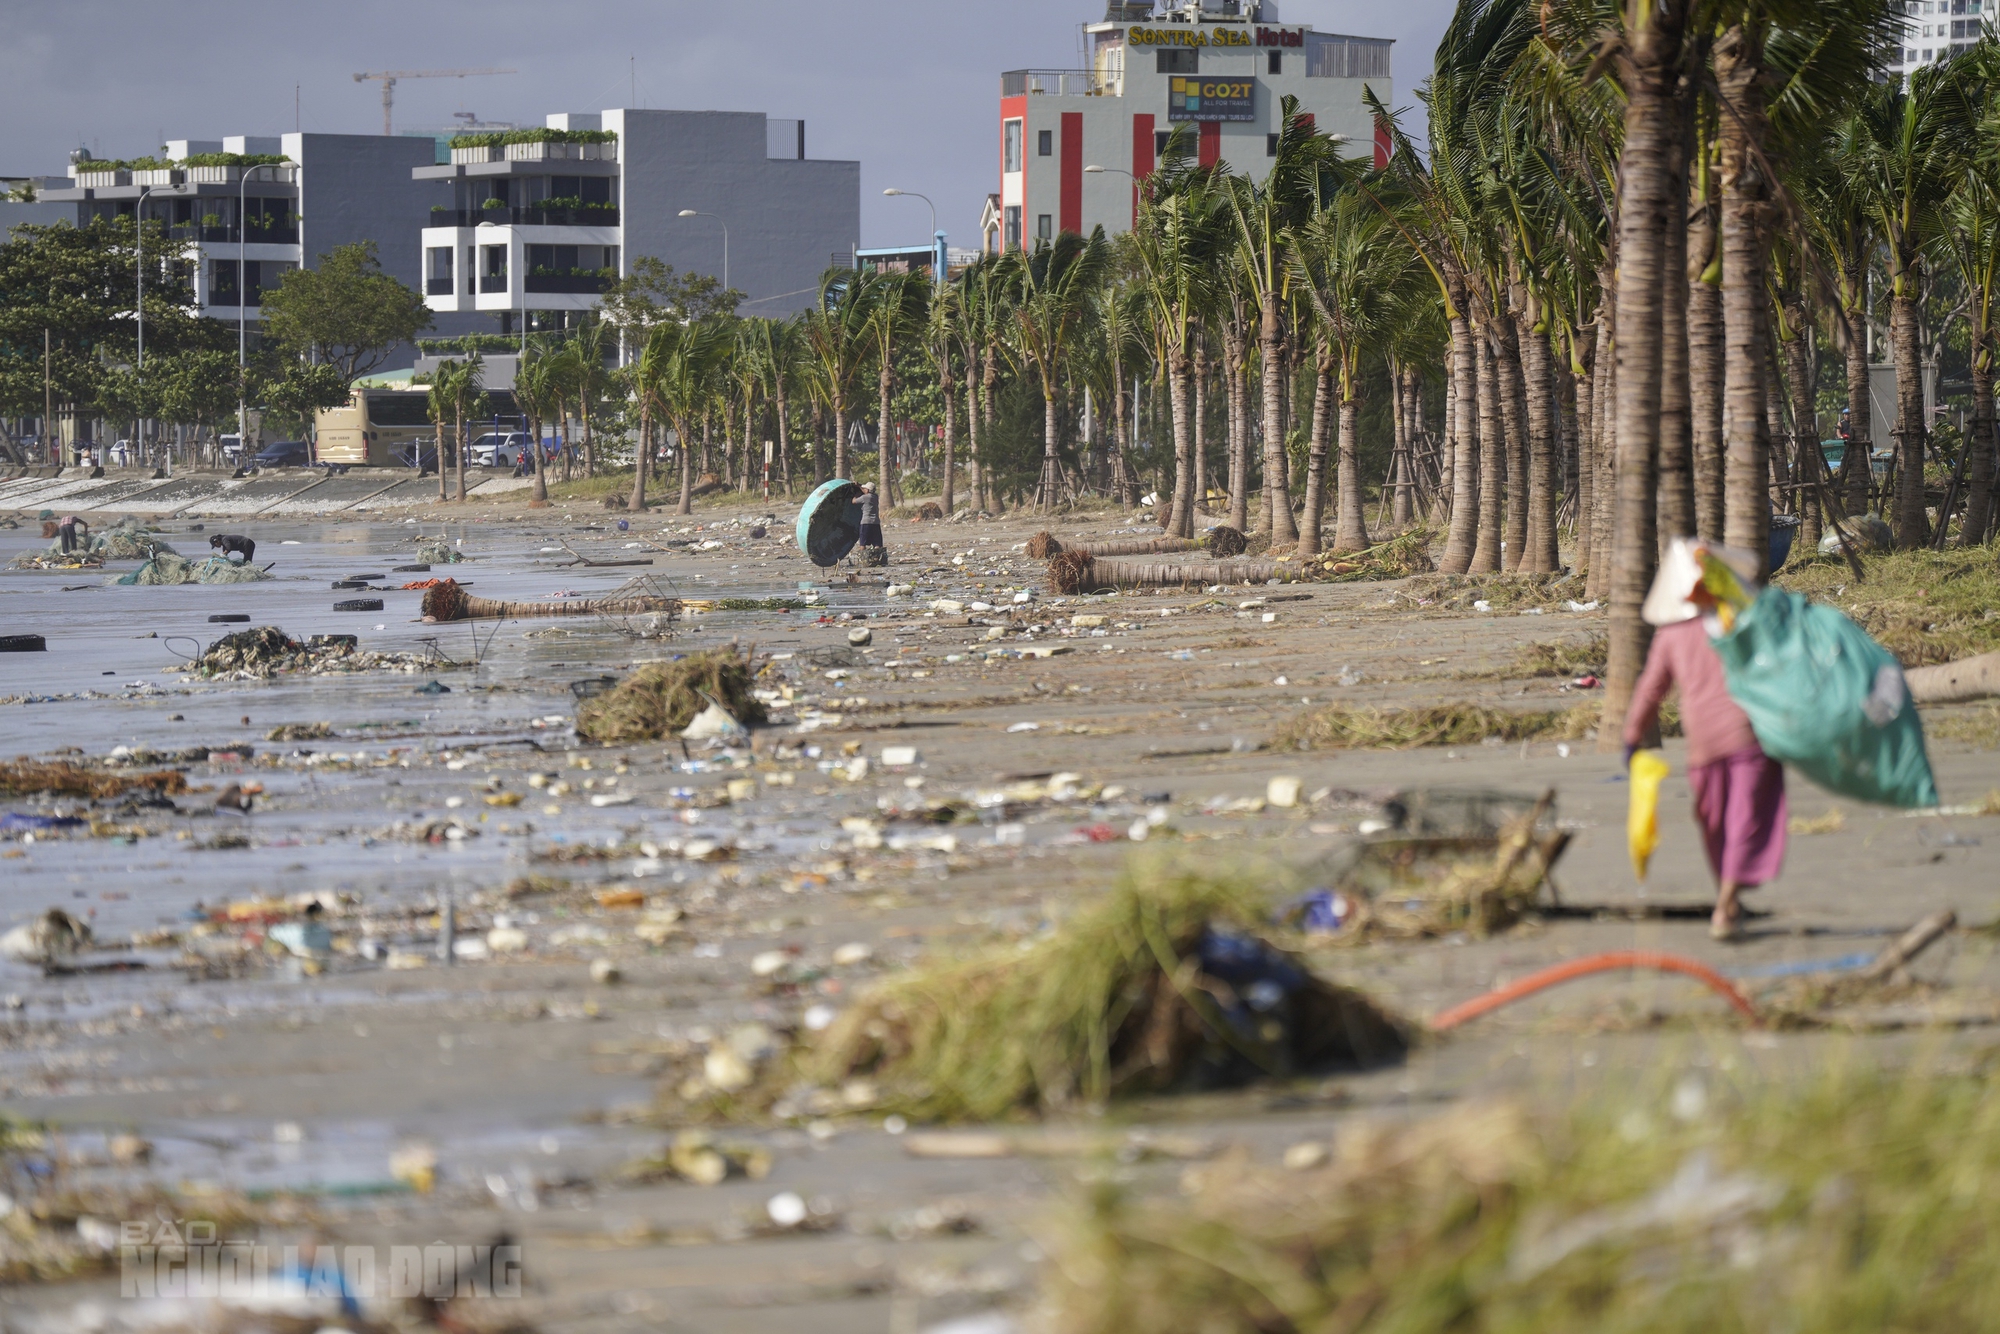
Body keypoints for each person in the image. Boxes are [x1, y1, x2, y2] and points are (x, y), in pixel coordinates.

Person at [1624, 539, 1786, 941]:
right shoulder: (1744, 620)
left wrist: (1631, 737)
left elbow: (1650, 689)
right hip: (1750, 737)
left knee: (1715, 823)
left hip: (1704, 745)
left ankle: (1727, 901)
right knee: (1743, 819)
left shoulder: (1671, 636)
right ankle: (1729, 902)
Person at [855, 482, 883, 551]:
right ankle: (877, 558)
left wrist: (856, 494)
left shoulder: (865, 497)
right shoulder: (875, 496)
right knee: (877, 544)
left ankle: (863, 559)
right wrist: (859, 486)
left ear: (867, 490)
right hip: (876, 522)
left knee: (863, 543)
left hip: (866, 522)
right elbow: (865, 491)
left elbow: (854, 501)